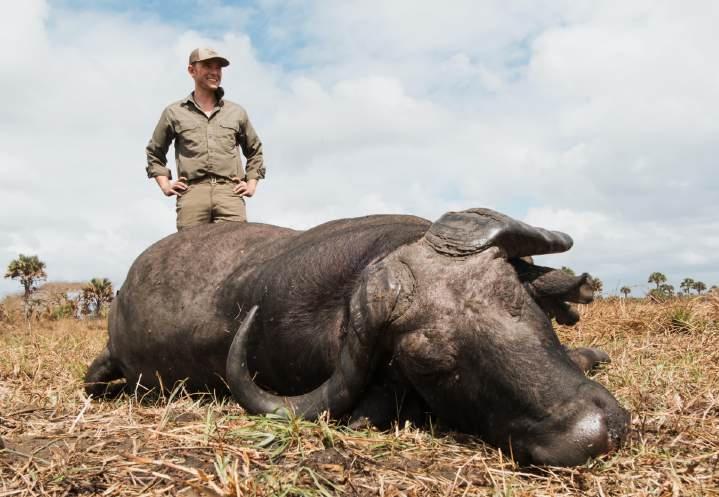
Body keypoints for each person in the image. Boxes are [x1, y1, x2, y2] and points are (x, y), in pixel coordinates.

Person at [146, 47, 265, 230]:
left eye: (218, 68)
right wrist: (165, 185)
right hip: (192, 194)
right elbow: (154, 152)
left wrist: (251, 184)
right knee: (189, 247)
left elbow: (255, 150)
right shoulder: (174, 112)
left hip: (230, 193)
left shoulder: (236, 112)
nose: (214, 72)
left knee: (236, 245)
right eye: (208, 66)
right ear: (191, 70)